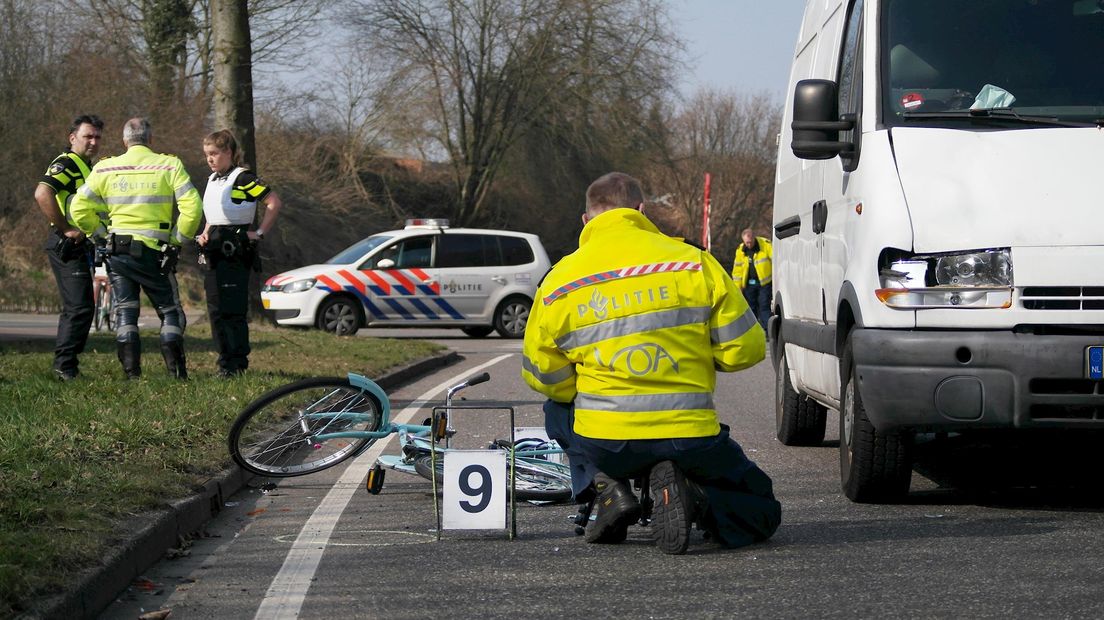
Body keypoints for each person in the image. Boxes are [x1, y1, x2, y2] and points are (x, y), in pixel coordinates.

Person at [522, 172, 781, 555]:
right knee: (760, 510)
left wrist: (582, 389)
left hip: (607, 442)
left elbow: (543, 375)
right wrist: (696, 355)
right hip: (689, 438)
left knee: (556, 409)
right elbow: (745, 349)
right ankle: (697, 497)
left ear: (585, 220)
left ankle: (603, 486)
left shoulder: (558, 282)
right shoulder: (695, 263)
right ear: (642, 211)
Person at [69, 117, 202, 379]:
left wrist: (99, 234)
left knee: (126, 311)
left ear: (124, 141)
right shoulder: (169, 165)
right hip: (156, 253)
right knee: (170, 312)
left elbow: (78, 207)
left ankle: (132, 374)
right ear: (150, 140)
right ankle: (176, 374)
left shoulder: (105, 168)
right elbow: (193, 207)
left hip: (118, 252)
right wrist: (177, 239)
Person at [195, 130, 283, 377]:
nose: (210, 159)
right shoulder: (213, 179)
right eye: (206, 155)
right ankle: (224, 362)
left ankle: (237, 363)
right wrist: (205, 232)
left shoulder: (243, 179)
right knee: (215, 308)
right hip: (213, 247)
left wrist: (260, 233)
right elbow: (214, 215)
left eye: (214, 154)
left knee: (232, 309)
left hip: (235, 249)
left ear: (229, 153)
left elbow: (274, 202)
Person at [34, 114, 104, 381]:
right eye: (88, 136)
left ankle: (67, 365)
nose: (93, 142)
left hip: (79, 244)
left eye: (97, 137)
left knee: (83, 306)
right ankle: (64, 368)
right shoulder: (66, 163)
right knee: (78, 307)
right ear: (72, 138)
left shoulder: (87, 166)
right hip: (65, 243)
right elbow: (42, 193)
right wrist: (65, 228)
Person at [731, 227, 773, 334]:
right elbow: (737, 270)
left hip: (764, 283)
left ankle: (769, 331)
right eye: (746, 243)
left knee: (764, 306)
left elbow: (775, 259)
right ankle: (754, 332)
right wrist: (737, 287)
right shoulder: (741, 250)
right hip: (749, 285)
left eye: (750, 242)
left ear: (754, 238)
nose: (748, 245)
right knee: (751, 309)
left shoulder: (765, 245)